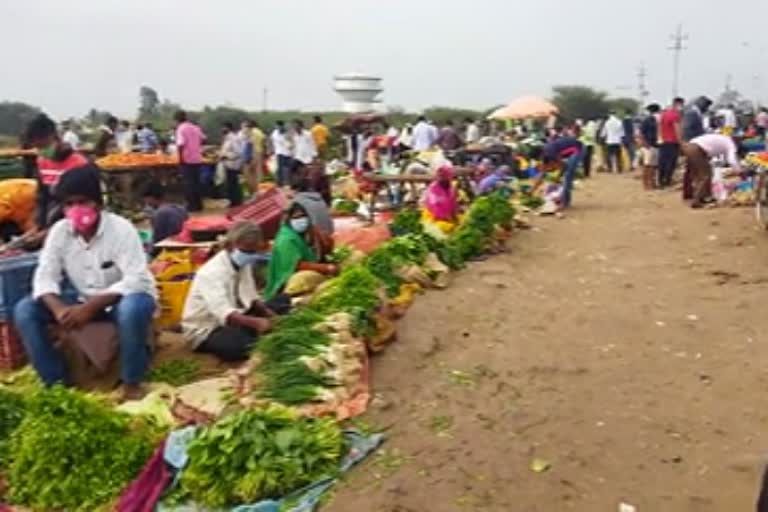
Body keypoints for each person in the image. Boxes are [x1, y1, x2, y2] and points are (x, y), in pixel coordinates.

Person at [14, 166, 156, 400]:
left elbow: (136, 279)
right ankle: (56, 385)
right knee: (25, 310)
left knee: (133, 309)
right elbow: (45, 275)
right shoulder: (60, 232)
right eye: (69, 204)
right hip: (82, 299)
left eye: (82, 202)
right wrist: (58, 309)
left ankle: (132, 381)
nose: (75, 210)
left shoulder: (121, 230)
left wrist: (90, 308)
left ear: (98, 203)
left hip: (120, 301)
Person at [181, 222, 275, 362]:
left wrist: (269, 313)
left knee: (281, 302)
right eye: (246, 251)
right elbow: (225, 313)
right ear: (231, 246)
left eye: (253, 251)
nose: (250, 255)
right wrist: (257, 323)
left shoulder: (243, 263)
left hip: (235, 316)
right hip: (207, 328)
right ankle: (247, 334)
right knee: (242, 346)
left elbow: (251, 296)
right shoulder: (211, 273)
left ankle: (251, 331)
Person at [23, 114, 89, 236]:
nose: (40, 151)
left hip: (73, 228)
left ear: (54, 137)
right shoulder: (42, 162)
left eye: (43, 146)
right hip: (50, 225)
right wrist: (38, 224)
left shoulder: (79, 164)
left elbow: (82, 206)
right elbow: (42, 196)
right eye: (37, 147)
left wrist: (52, 232)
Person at [264, 202, 338, 301]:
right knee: (303, 278)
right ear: (289, 221)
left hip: (313, 268)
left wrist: (321, 237)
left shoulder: (307, 231)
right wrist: (326, 268)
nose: (300, 220)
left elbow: (325, 249)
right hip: (289, 278)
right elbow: (296, 265)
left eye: (303, 216)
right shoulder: (285, 239)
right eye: (296, 218)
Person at [681, 133, 742, 208]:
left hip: (689, 146)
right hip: (696, 149)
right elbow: (732, 160)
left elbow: (725, 157)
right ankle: (696, 201)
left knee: (696, 175)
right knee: (705, 175)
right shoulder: (730, 143)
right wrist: (739, 171)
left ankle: (703, 197)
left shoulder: (723, 139)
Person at [141, 181, 189, 253]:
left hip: (172, 250)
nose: (146, 203)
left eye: (146, 200)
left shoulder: (160, 214)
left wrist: (147, 249)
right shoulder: (180, 208)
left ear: (150, 198)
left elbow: (157, 244)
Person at [539, 136, 583, 209]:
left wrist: (557, 178)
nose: (551, 169)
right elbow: (542, 174)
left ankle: (565, 202)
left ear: (551, 162)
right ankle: (564, 200)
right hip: (572, 150)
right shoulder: (546, 157)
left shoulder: (552, 155)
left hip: (578, 149)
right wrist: (532, 190)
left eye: (551, 167)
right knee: (566, 175)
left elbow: (564, 166)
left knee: (568, 175)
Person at [174, 110, 206, 212]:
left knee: (188, 183)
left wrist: (180, 159)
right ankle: (199, 205)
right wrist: (196, 146)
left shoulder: (181, 128)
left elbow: (180, 144)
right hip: (197, 158)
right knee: (197, 183)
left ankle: (191, 206)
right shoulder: (195, 127)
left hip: (187, 159)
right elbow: (204, 139)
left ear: (177, 120)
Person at [422, 165, 460, 231]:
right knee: (446, 228)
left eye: (446, 177)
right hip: (433, 220)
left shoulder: (451, 188)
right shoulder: (433, 189)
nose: (443, 179)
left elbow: (453, 205)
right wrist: (447, 219)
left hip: (448, 219)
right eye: (441, 176)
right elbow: (435, 208)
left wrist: (456, 219)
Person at [658, 97, 684, 188]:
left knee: (663, 162)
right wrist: (681, 142)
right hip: (673, 141)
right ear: (678, 104)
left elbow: (659, 127)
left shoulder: (664, 114)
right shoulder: (675, 115)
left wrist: (660, 138)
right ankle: (667, 181)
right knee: (671, 162)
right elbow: (677, 129)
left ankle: (660, 181)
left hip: (664, 141)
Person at [639, 104, 660, 190]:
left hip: (655, 144)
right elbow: (641, 132)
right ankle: (646, 184)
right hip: (649, 145)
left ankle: (652, 183)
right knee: (648, 165)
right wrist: (645, 143)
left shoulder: (655, 120)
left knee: (653, 166)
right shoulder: (648, 120)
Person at [242, 119, 266, 194]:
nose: (243, 128)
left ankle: (257, 191)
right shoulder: (258, 131)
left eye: (244, 126)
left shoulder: (254, 131)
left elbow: (251, 143)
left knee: (253, 173)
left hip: (255, 152)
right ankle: (257, 191)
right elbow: (264, 141)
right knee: (256, 173)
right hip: (258, 152)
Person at [271, 120, 293, 187]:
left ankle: (288, 183)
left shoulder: (287, 133)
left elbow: (291, 145)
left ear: (282, 126)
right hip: (279, 153)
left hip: (288, 153)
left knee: (288, 170)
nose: (278, 128)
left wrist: (288, 141)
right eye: (277, 126)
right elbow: (272, 140)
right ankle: (279, 184)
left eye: (279, 126)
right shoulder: (275, 133)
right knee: (280, 169)